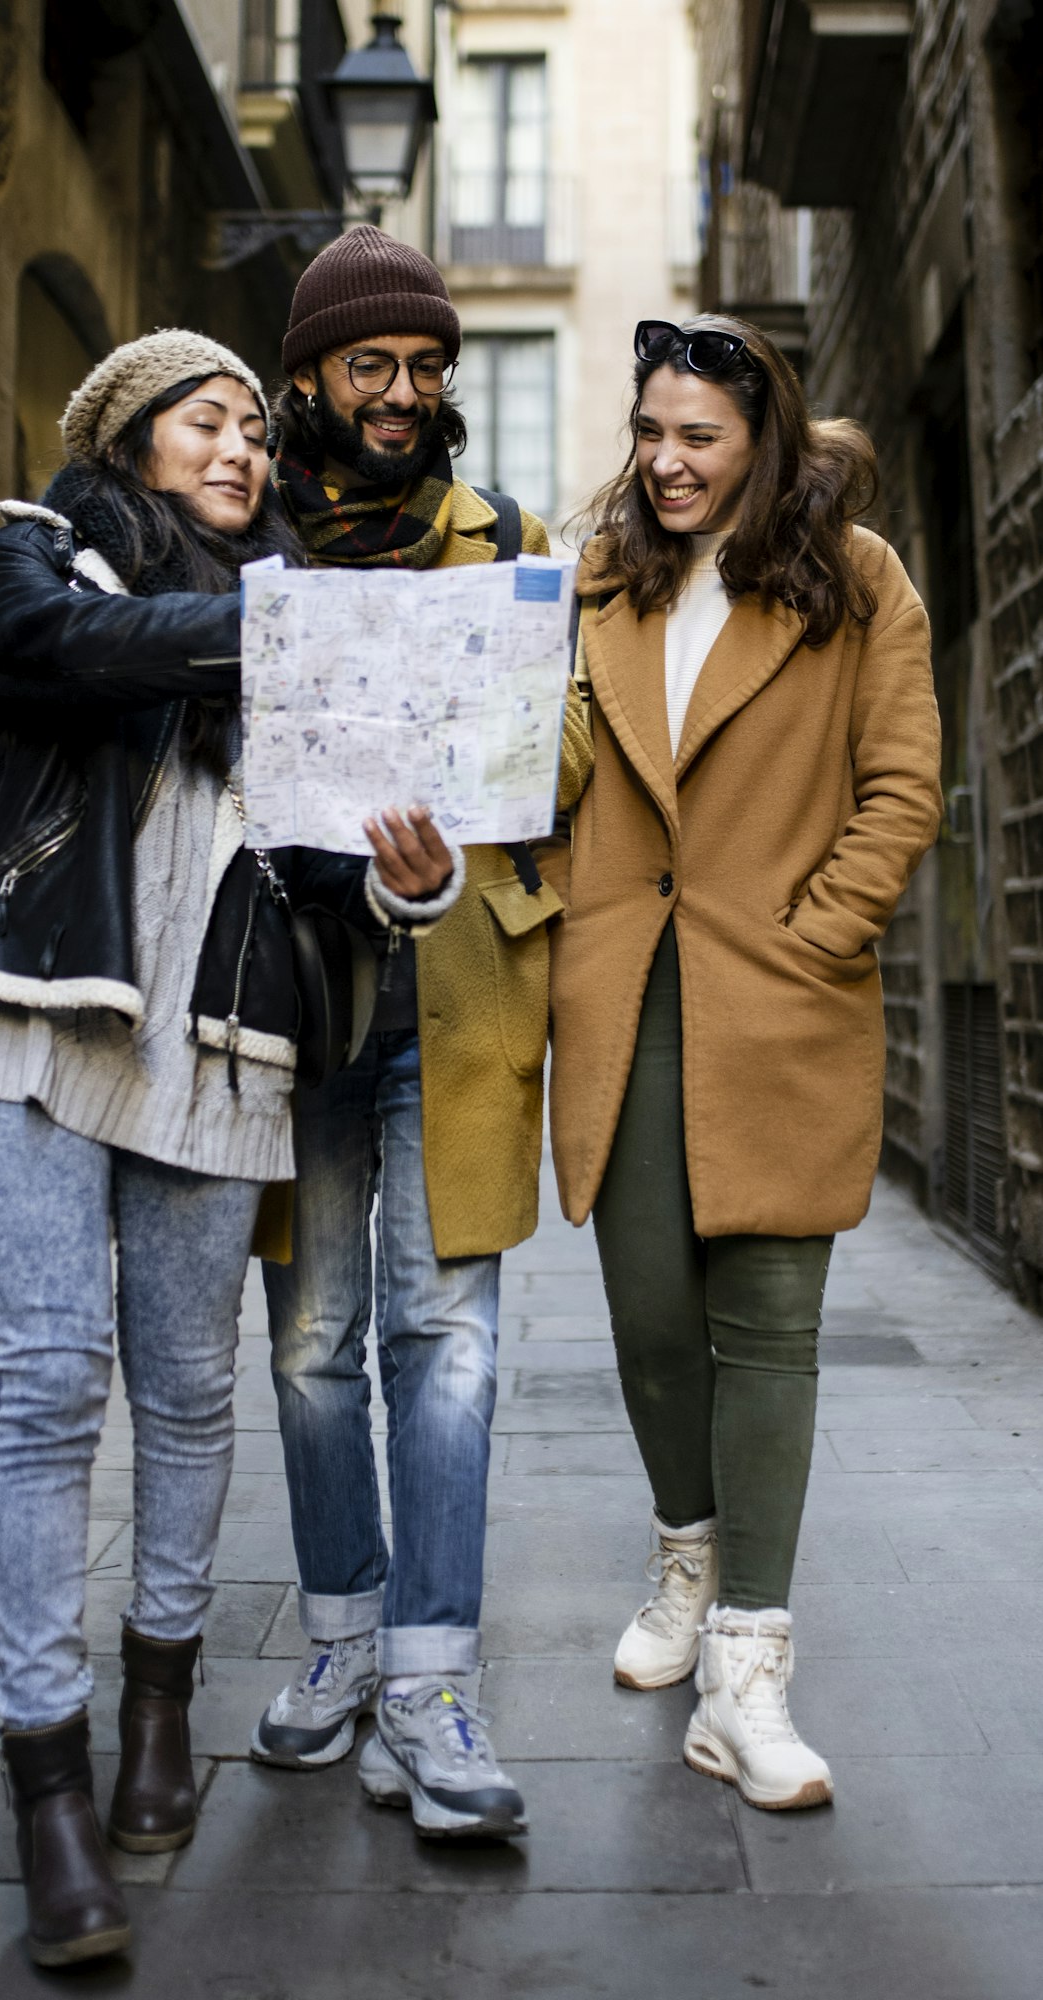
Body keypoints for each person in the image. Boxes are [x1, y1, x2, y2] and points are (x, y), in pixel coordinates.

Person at [0, 329, 458, 1965]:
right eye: (201, 423)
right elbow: (35, 646)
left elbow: (323, 873)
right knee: (52, 1376)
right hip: (25, 1009)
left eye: (246, 432)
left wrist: (403, 881)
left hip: (215, 1054)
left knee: (195, 1388)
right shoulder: (42, 550)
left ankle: (161, 1701)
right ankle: (47, 1777)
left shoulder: (286, 630)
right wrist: (274, 633)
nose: (236, 449)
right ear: (133, 437)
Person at [545, 315, 941, 1810]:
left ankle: (748, 1673)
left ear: (760, 441)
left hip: (778, 1000)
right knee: (651, 1321)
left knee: (767, 1324)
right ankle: (683, 1566)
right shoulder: (591, 583)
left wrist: (814, 936)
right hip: (621, 997)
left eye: (696, 436)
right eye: (648, 432)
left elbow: (903, 783)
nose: (662, 462)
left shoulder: (855, 581)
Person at [248, 227, 593, 1842]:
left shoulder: (506, 541)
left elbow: (572, 756)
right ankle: (338, 1641)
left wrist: (478, 798)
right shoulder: (246, 543)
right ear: (312, 375)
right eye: (371, 366)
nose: (403, 394)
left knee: (443, 1344)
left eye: (425, 367)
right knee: (314, 1347)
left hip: (457, 991)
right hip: (294, 998)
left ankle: (434, 1682)